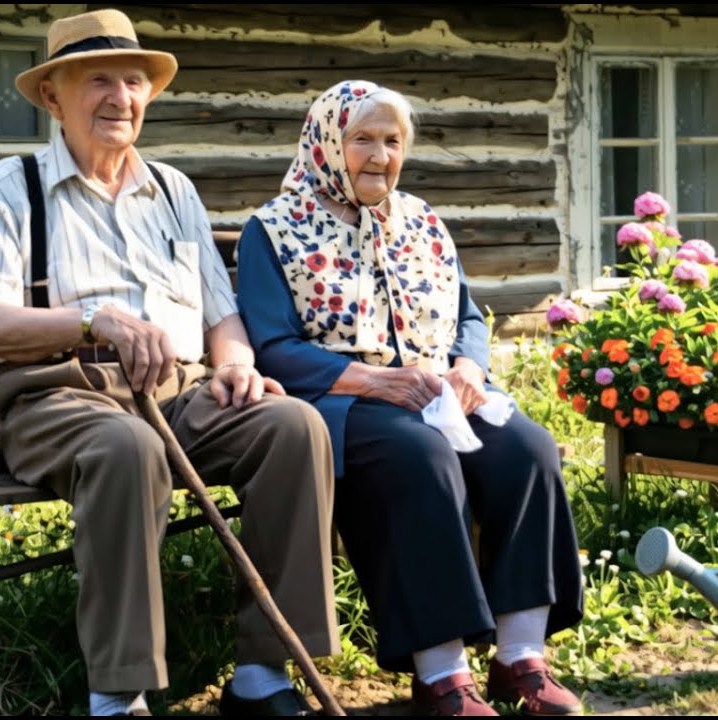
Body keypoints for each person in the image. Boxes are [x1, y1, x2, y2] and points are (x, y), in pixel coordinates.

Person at [0, 10, 338, 717]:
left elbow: (221, 314)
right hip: (58, 394)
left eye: (133, 81)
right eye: (98, 80)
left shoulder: (173, 190)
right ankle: (118, 697)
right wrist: (90, 319)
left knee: (292, 427)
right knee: (128, 447)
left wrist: (235, 364)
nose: (120, 97)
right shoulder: (7, 188)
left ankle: (263, 677)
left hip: (177, 391)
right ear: (52, 97)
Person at [236, 80, 586, 717]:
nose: (380, 156)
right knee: (421, 457)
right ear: (326, 143)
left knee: (528, 450)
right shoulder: (274, 229)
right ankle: (442, 674)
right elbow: (272, 345)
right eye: (362, 139)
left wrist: (469, 367)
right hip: (343, 402)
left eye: (393, 141)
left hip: (437, 394)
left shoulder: (421, 220)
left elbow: (467, 316)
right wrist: (373, 381)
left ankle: (520, 657)